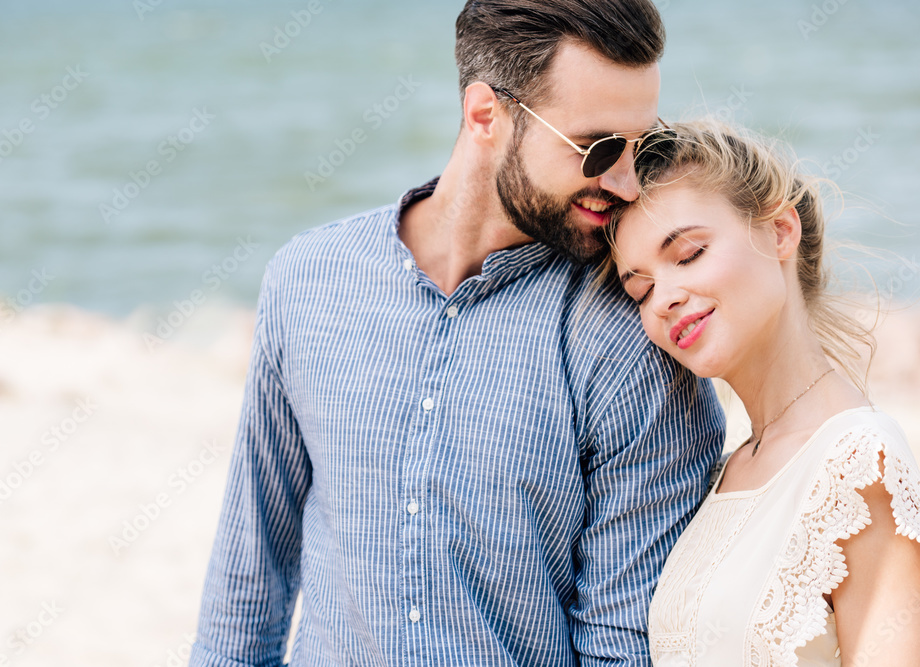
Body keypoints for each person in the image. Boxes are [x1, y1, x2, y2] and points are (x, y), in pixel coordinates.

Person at [190, 2, 725, 665]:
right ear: (485, 116)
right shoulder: (306, 284)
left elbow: (623, 646)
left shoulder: (632, 342)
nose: (624, 182)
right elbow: (247, 588)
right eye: (599, 148)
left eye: (641, 147)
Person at [607, 119, 920, 665]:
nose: (664, 299)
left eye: (687, 255)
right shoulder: (720, 470)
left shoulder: (861, 462)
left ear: (778, 231)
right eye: (641, 288)